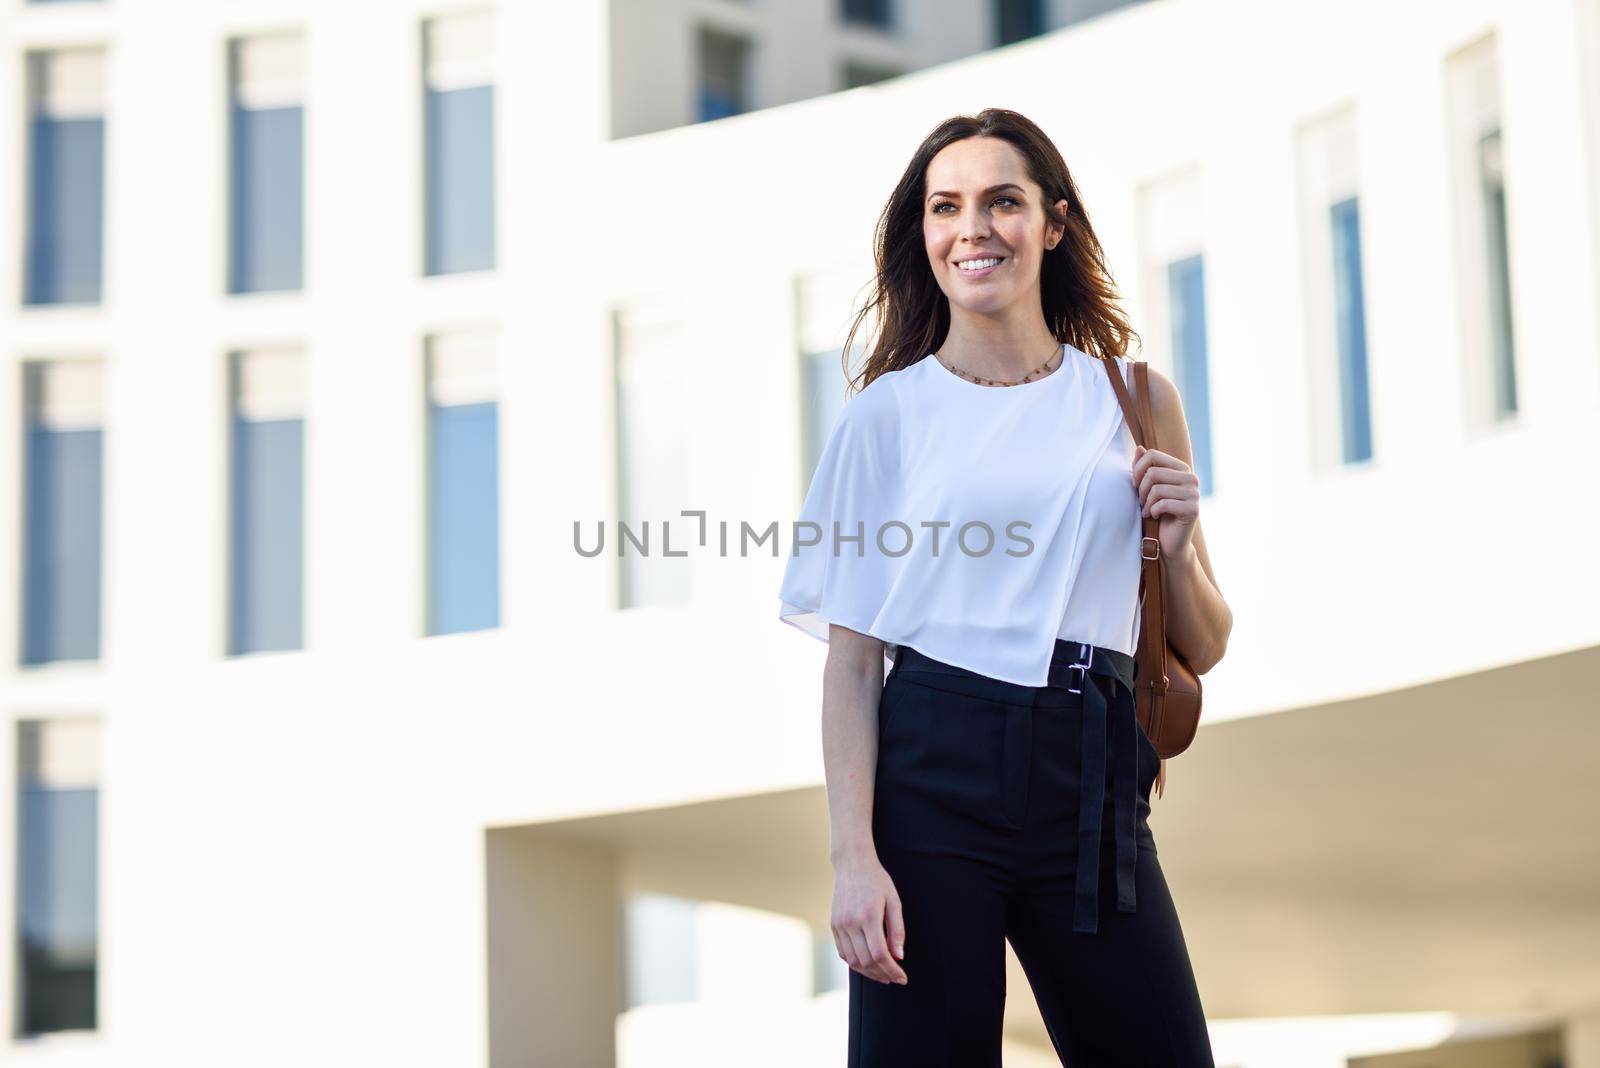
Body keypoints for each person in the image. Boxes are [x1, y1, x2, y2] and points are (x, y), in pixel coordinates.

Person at [776, 108, 1232, 1066]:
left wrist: (1179, 544)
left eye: (1002, 202)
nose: (972, 228)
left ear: (1053, 224)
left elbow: (1208, 639)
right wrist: (853, 860)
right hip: (933, 768)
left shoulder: (1136, 400)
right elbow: (854, 667)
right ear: (926, 236)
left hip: (1093, 768)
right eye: (946, 207)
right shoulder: (885, 419)